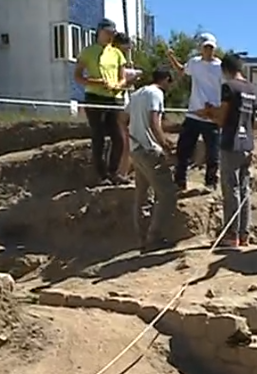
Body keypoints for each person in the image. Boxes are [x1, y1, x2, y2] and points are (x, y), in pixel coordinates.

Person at [201, 53, 257, 248]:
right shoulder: (250, 88)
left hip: (231, 143)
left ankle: (231, 234)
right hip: (247, 143)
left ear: (225, 70)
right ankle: (244, 234)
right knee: (244, 189)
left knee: (231, 189)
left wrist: (209, 113)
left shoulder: (228, 87)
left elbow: (222, 118)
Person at [125, 68, 176, 252]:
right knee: (167, 193)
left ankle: (142, 238)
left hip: (136, 149)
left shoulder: (137, 93)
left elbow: (123, 119)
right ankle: (154, 237)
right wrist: (165, 145)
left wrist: (132, 136)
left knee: (141, 195)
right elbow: (155, 123)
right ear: (166, 80)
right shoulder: (156, 93)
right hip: (149, 150)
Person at [74, 18, 129, 185]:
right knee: (98, 135)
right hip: (94, 96)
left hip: (114, 97)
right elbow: (78, 76)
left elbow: (123, 77)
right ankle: (101, 175)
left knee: (118, 137)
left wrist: (117, 85)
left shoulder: (117, 53)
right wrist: (95, 82)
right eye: (107, 33)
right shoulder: (88, 51)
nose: (110, 36)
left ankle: (114, 172)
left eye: (112, 34)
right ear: (99, 32)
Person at [167, 33, 223, 191]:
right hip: (193, 113)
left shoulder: (220, 67)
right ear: (201, 48)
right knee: (183, 149)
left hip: (211, 116)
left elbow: (226, 88)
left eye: (211, 47)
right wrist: (171, 57)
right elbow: (181, 70)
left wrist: (216, 111)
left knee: (212, 152)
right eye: (206, 47)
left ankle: (211, 182)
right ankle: (180, 181)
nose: (208, 50)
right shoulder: (195, 63)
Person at [113, 31, 140, 180]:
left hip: (123, 104)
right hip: (118, 103)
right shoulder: (114, 58)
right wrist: (132, 76)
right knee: (124, 142)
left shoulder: (119, 58)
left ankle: (122, 172)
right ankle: (120, 172)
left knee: (127, 141)